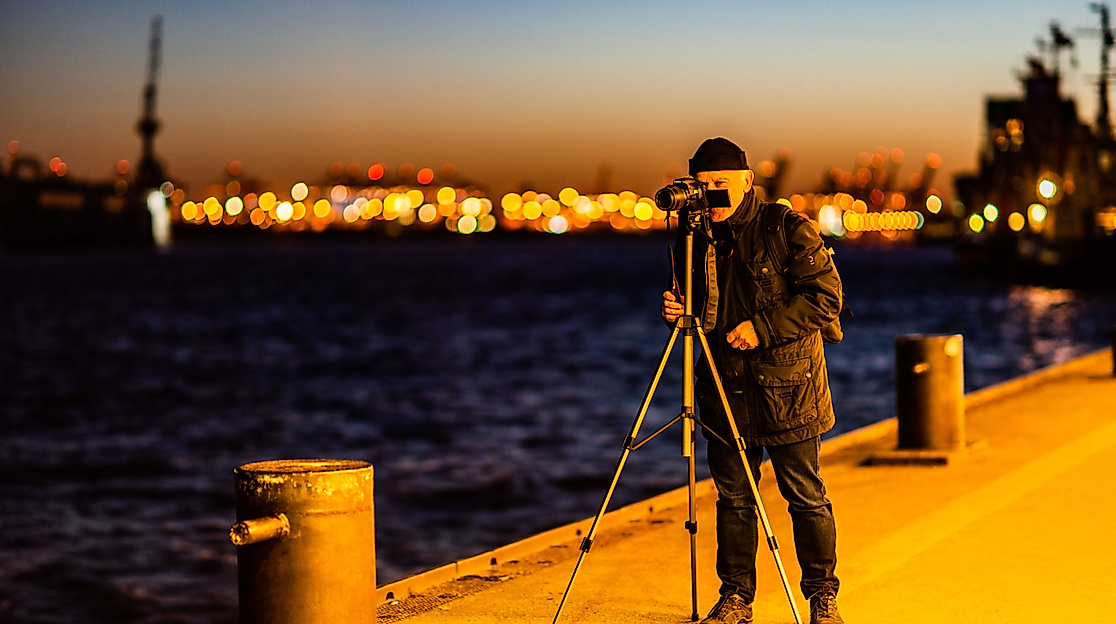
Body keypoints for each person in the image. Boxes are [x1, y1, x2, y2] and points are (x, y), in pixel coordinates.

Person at [660, 137, 845, 624]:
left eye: (721, 184)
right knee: (734, 498)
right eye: (702, 186)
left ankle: (822, 599)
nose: (711, 195)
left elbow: (826, 298)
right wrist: (680, 312)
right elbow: (705, 311)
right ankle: (736, 598)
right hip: (725, 389)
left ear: (746, 182)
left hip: (788, 390)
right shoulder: (694, 237)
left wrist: (762, 329)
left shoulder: (786, 228)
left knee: (804, 496)